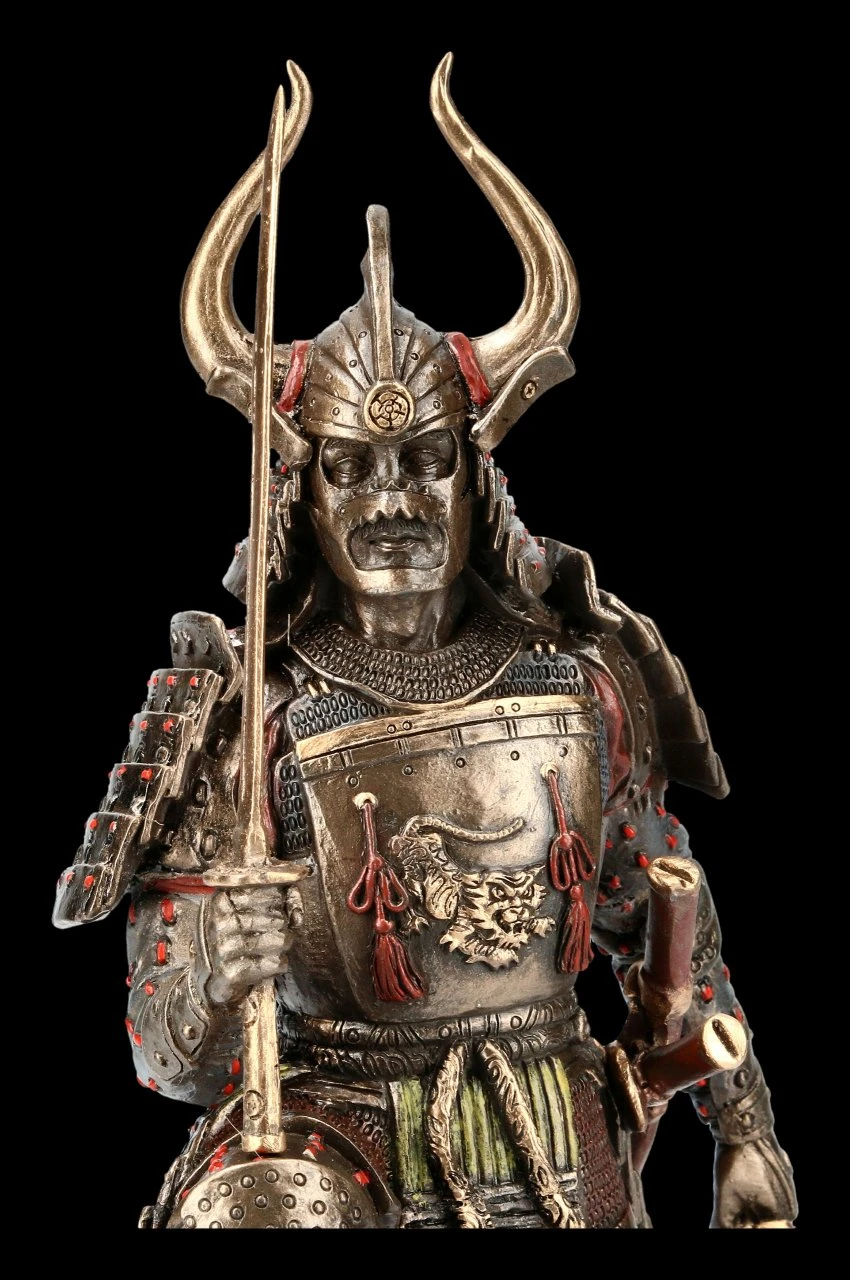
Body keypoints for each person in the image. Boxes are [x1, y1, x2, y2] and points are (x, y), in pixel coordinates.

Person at [52, 56, 797, 1230]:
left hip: (552, 1122)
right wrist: (220, 965)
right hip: (335, 1129)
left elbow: (666, 911)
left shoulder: (578, 680)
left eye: (425, 460)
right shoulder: (248, 710)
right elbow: (164, 1042)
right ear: (303, 491)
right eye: (351, 467)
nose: (391, 499)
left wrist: (744, 1126)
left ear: (473, 475)